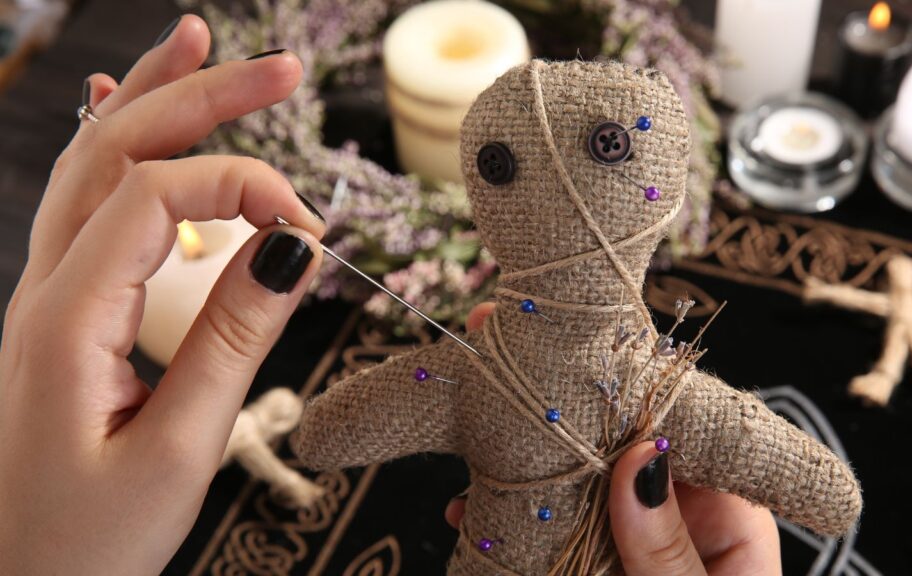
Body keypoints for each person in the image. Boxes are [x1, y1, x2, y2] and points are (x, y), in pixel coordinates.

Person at [0, 15, 780, 575]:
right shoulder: (484, 378)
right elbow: (748, 441)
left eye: (609, 146)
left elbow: (335, 430)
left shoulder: (473, 377)